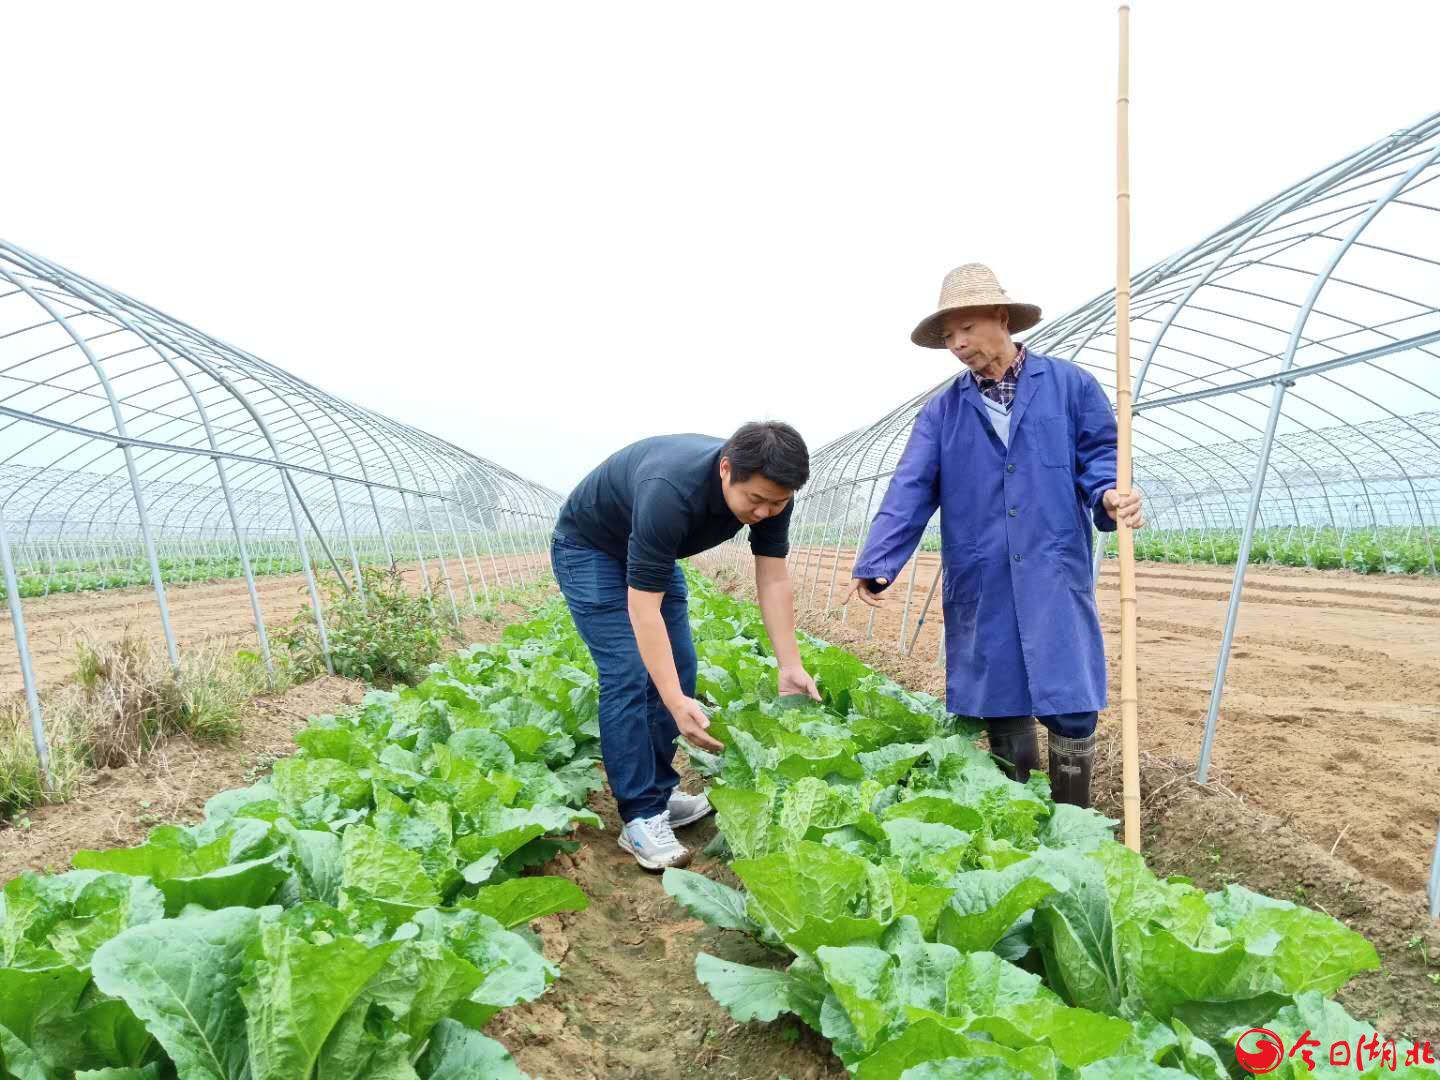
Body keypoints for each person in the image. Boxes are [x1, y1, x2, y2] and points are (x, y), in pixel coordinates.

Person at [842, 264, 1144, 808]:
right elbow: (911, 485)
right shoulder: (942, 411)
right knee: (1002, 698)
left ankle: (1072, 820)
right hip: (983, 572)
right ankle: (1018, 822)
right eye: (947, 337)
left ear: (1001, 319)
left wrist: (1109, 493)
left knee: (1069, 697)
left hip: (1053, 566)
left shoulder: (1070, 386)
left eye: (965, 329)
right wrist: (879, 559)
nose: (956, 345)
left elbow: (1102, 454)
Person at [551, 423, 820, 870]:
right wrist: (675, 703)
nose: (766, 511)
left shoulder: (774, 496)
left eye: (779, 502)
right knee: (629, 672)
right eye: (755, 500)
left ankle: (658, 791)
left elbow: (773, 578)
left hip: (651, 551)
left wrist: (789, 664)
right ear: (726, 469)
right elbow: (643, 611)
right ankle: (639, 816)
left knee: (681, 665)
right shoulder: (670, 492)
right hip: (590, 548)